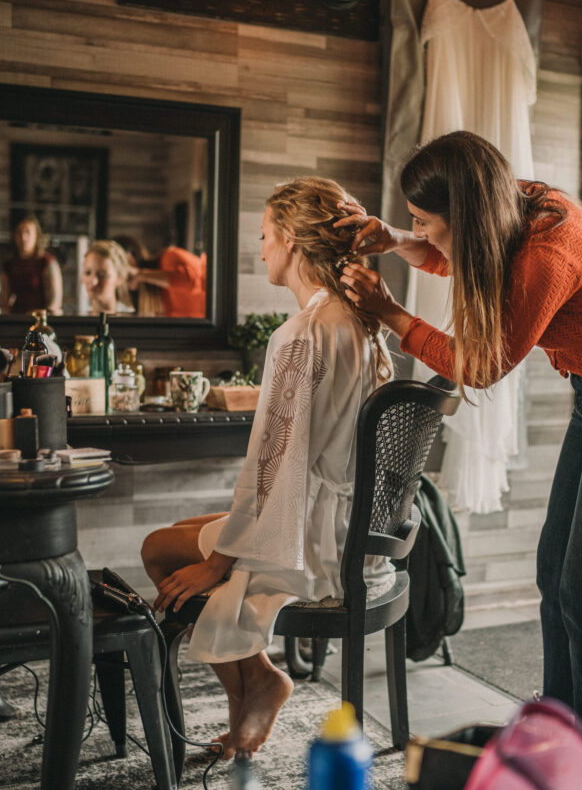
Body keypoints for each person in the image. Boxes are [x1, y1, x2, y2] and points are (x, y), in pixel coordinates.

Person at [337, 129, 582, 753]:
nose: (419, 230)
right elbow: (461, 253)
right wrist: (397, 240)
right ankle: (562, 732)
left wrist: (392, 313)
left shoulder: (548, 252)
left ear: (465, 212)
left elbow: (479, 365)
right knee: (556, 566)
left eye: (425, 220)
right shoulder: (513, 206)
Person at [141, 177, 393, 757]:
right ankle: (255, 683)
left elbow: (269, 466)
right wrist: (223, 551)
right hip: (357, 536)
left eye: (263, 236)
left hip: (318, 547)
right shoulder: (364, 326)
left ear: (292, 241)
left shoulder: (304, 333)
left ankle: (256, 682)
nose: (260, 251)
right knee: (178, 540)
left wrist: (219, 563)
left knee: (159, 548)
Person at [115, 235, 207, 318]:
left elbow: (194, 280)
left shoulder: (167, 258)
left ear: (130, 258)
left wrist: (141, 275)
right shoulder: (156, 304)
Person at [0, 215, 63, 314]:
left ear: (36, 236)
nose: (23, 237)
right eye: (19, 232)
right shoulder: (9, 265)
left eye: (27, 232)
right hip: (17, 317)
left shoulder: (46, 262)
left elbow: (55, 302)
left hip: (41, 319)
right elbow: (4, 301)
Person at [81, 239, 134, 315]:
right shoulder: (80, 318)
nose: (94, 282)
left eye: (102, 275)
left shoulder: (132, 319)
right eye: (88, 273)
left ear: (120, 278)